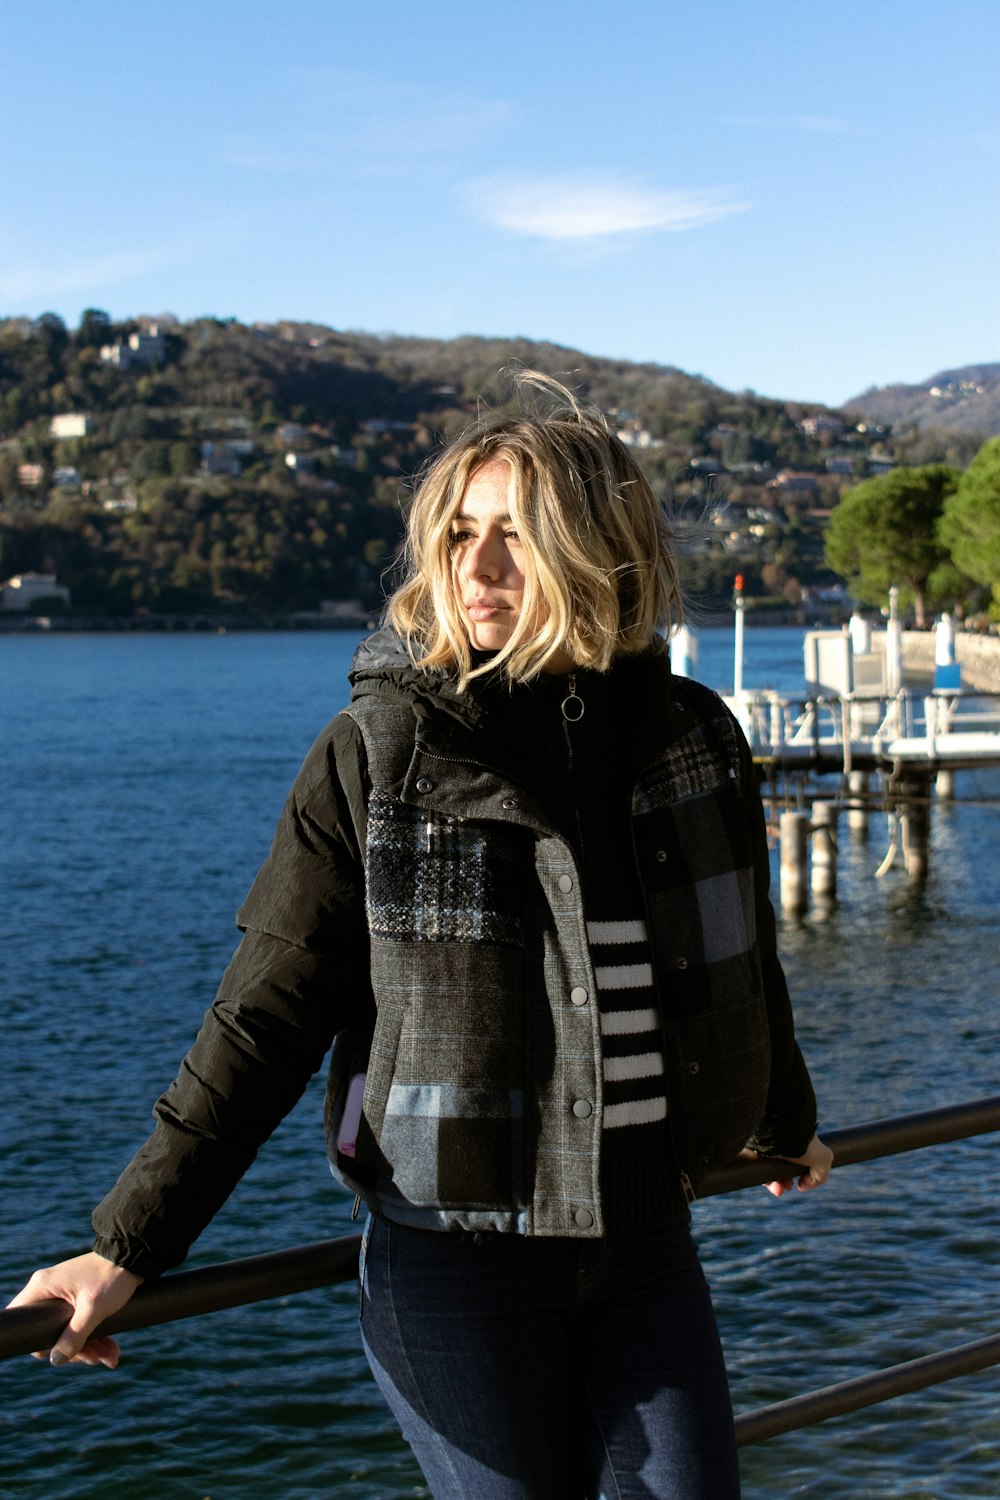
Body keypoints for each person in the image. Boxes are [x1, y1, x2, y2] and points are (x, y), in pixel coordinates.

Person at [9, 373, 832, 1499]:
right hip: (457, 1262)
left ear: (603, 549)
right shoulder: (379, 753)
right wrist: (129, 1243)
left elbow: (739, 954)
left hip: (648, 1245)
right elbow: (266, 1015)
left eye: (516, 537)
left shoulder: (694, 737)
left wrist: (784, 1115)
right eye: (458, 534)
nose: (477, 569)